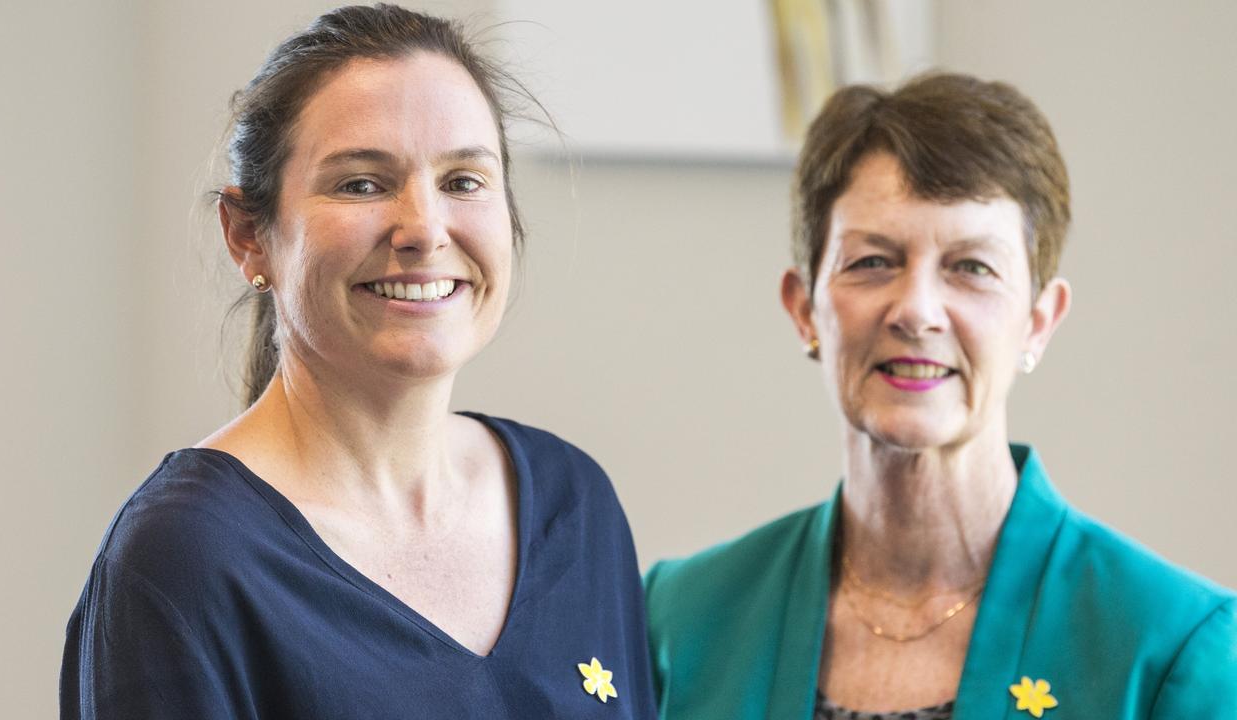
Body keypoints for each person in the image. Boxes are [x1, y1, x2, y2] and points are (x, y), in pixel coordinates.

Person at [60, 5, 656, 718]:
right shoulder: (183, 558)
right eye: (361, 184)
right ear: (249, 234)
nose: (424, 229)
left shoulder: (575, 503)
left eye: (464, 181)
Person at [644, 73, 1237, 719]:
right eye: (872, 261)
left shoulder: (1175, 646)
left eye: (971, 267)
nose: (918, 311)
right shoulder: (677, 619)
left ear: (1040, 320)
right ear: (804, 309)